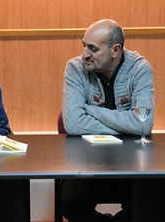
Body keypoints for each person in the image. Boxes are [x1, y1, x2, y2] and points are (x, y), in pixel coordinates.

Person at [61, 19, 155, 221]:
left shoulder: (140, 69)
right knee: (69, 202)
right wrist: (125, 124)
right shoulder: (75, 68)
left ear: (115, 50)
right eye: (84, 46)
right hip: (88, 162)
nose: (85, 54)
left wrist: (92, 111)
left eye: (93, 49)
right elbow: (73, 122)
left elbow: (143, 124)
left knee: (154, 200)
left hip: (132, 162)